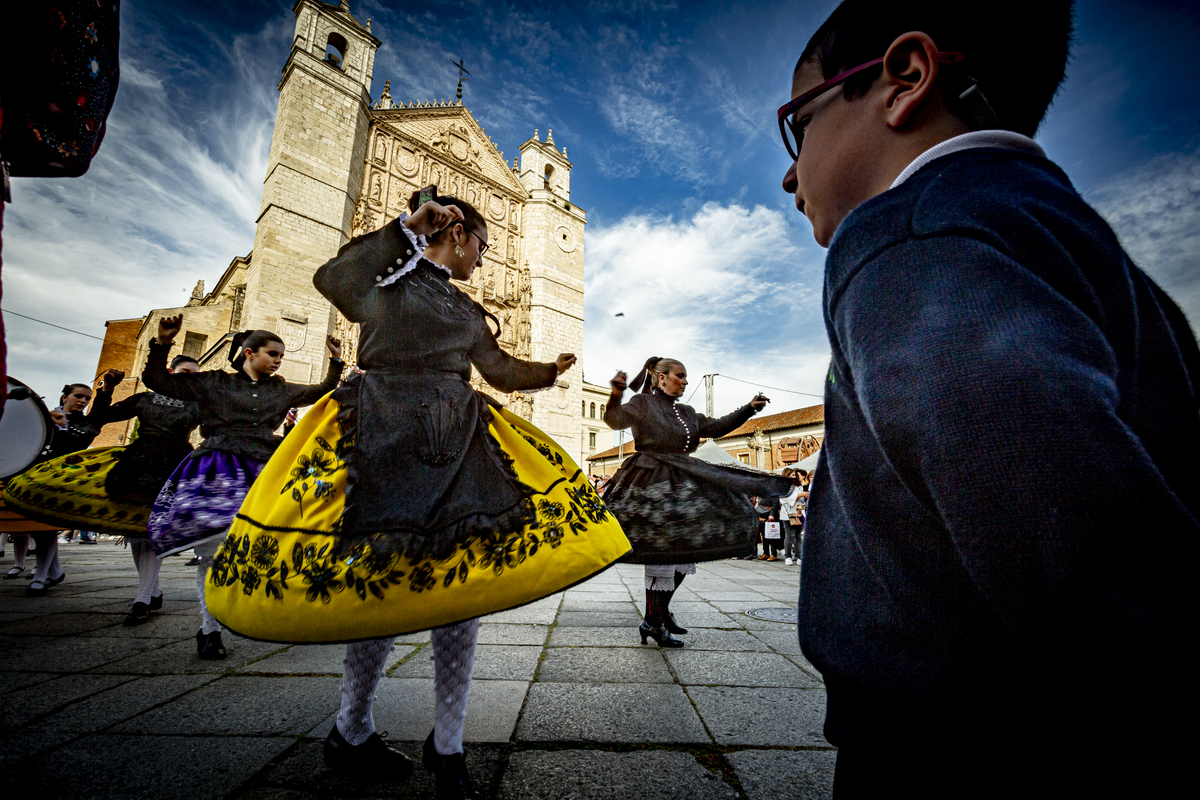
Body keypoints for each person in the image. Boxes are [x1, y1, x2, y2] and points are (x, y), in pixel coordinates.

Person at [780, 1, 1198, 795]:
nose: (792, 173)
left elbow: (1053, 516)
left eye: (799, 125)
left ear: (905, 79)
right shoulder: (1081, 245)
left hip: (965, 748)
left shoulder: (907, 236)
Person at [201, 191, 629, 798]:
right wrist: (403, 228)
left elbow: (499, 371)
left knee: (460, 581)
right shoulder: (390, 278)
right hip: (380, 429)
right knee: (379, 580)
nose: (482, 260)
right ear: (456, 235)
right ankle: (352, 729)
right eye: (480, 246)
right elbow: (334, 280)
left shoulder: (466, 308)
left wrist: (549, 371)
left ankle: (447, 742)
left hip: (456, 434)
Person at [141, 318, 344, 659]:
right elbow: (157, 380)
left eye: (281, 355)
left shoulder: (280, 389)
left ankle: (261, 608)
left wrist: (336, 361)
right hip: (218, 466)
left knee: (272, 539)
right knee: (212, 550)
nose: (279, 360)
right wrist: (161, 344)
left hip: (265, 466)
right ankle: (209, 629)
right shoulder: (214, 383)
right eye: (272, 354)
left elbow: (319, 390)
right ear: (250, 353)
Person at [603, 358, 791, 647]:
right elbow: (615, 420)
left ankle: (659, 613)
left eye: (686, 377)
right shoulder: (643, 403)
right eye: (680, 376)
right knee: (662, 551)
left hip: (683, 477)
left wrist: (748, 408)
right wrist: (616, 394)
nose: (686, 381)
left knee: (683, 551)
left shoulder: (687, 411)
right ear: (661, 378)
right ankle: (653, 621)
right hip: (651, 482)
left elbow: (716, 427)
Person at [5, 356, 202, 624]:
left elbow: (219, 428)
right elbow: (100, 418)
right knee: (134, 532)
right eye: (184, 372)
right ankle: (152, 590)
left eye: (193, 375)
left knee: (149, 531)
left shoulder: (198, 405)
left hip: (173, 465)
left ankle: (143, 598)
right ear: (170, 372)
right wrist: (106, 390)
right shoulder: (144, 398)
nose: (188, 378)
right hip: (137, 462)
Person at [1, 377, 117, 594]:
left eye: (87, 398)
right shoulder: (41, 416)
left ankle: (42, 575)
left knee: (45, 528)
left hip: (61, 480)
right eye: (78, 396)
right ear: (65, 397)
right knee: (36, 530)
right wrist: (48, 421)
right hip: (31, 477)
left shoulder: (86, 424)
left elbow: (97, 415)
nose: (83, 401)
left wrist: (105, 392)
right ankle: (54, 572)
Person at [778, 469, 808, 565]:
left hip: (799, 513)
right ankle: (788, 556)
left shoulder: (797, 487)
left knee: (799, 536)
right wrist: (801, 495)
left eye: (795, 475)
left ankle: (799, 556)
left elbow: (801, 501)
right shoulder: (783, 487)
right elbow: (786, 499)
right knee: (789, 536)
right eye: (791, 475)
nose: (794, 476)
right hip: (788, 515)